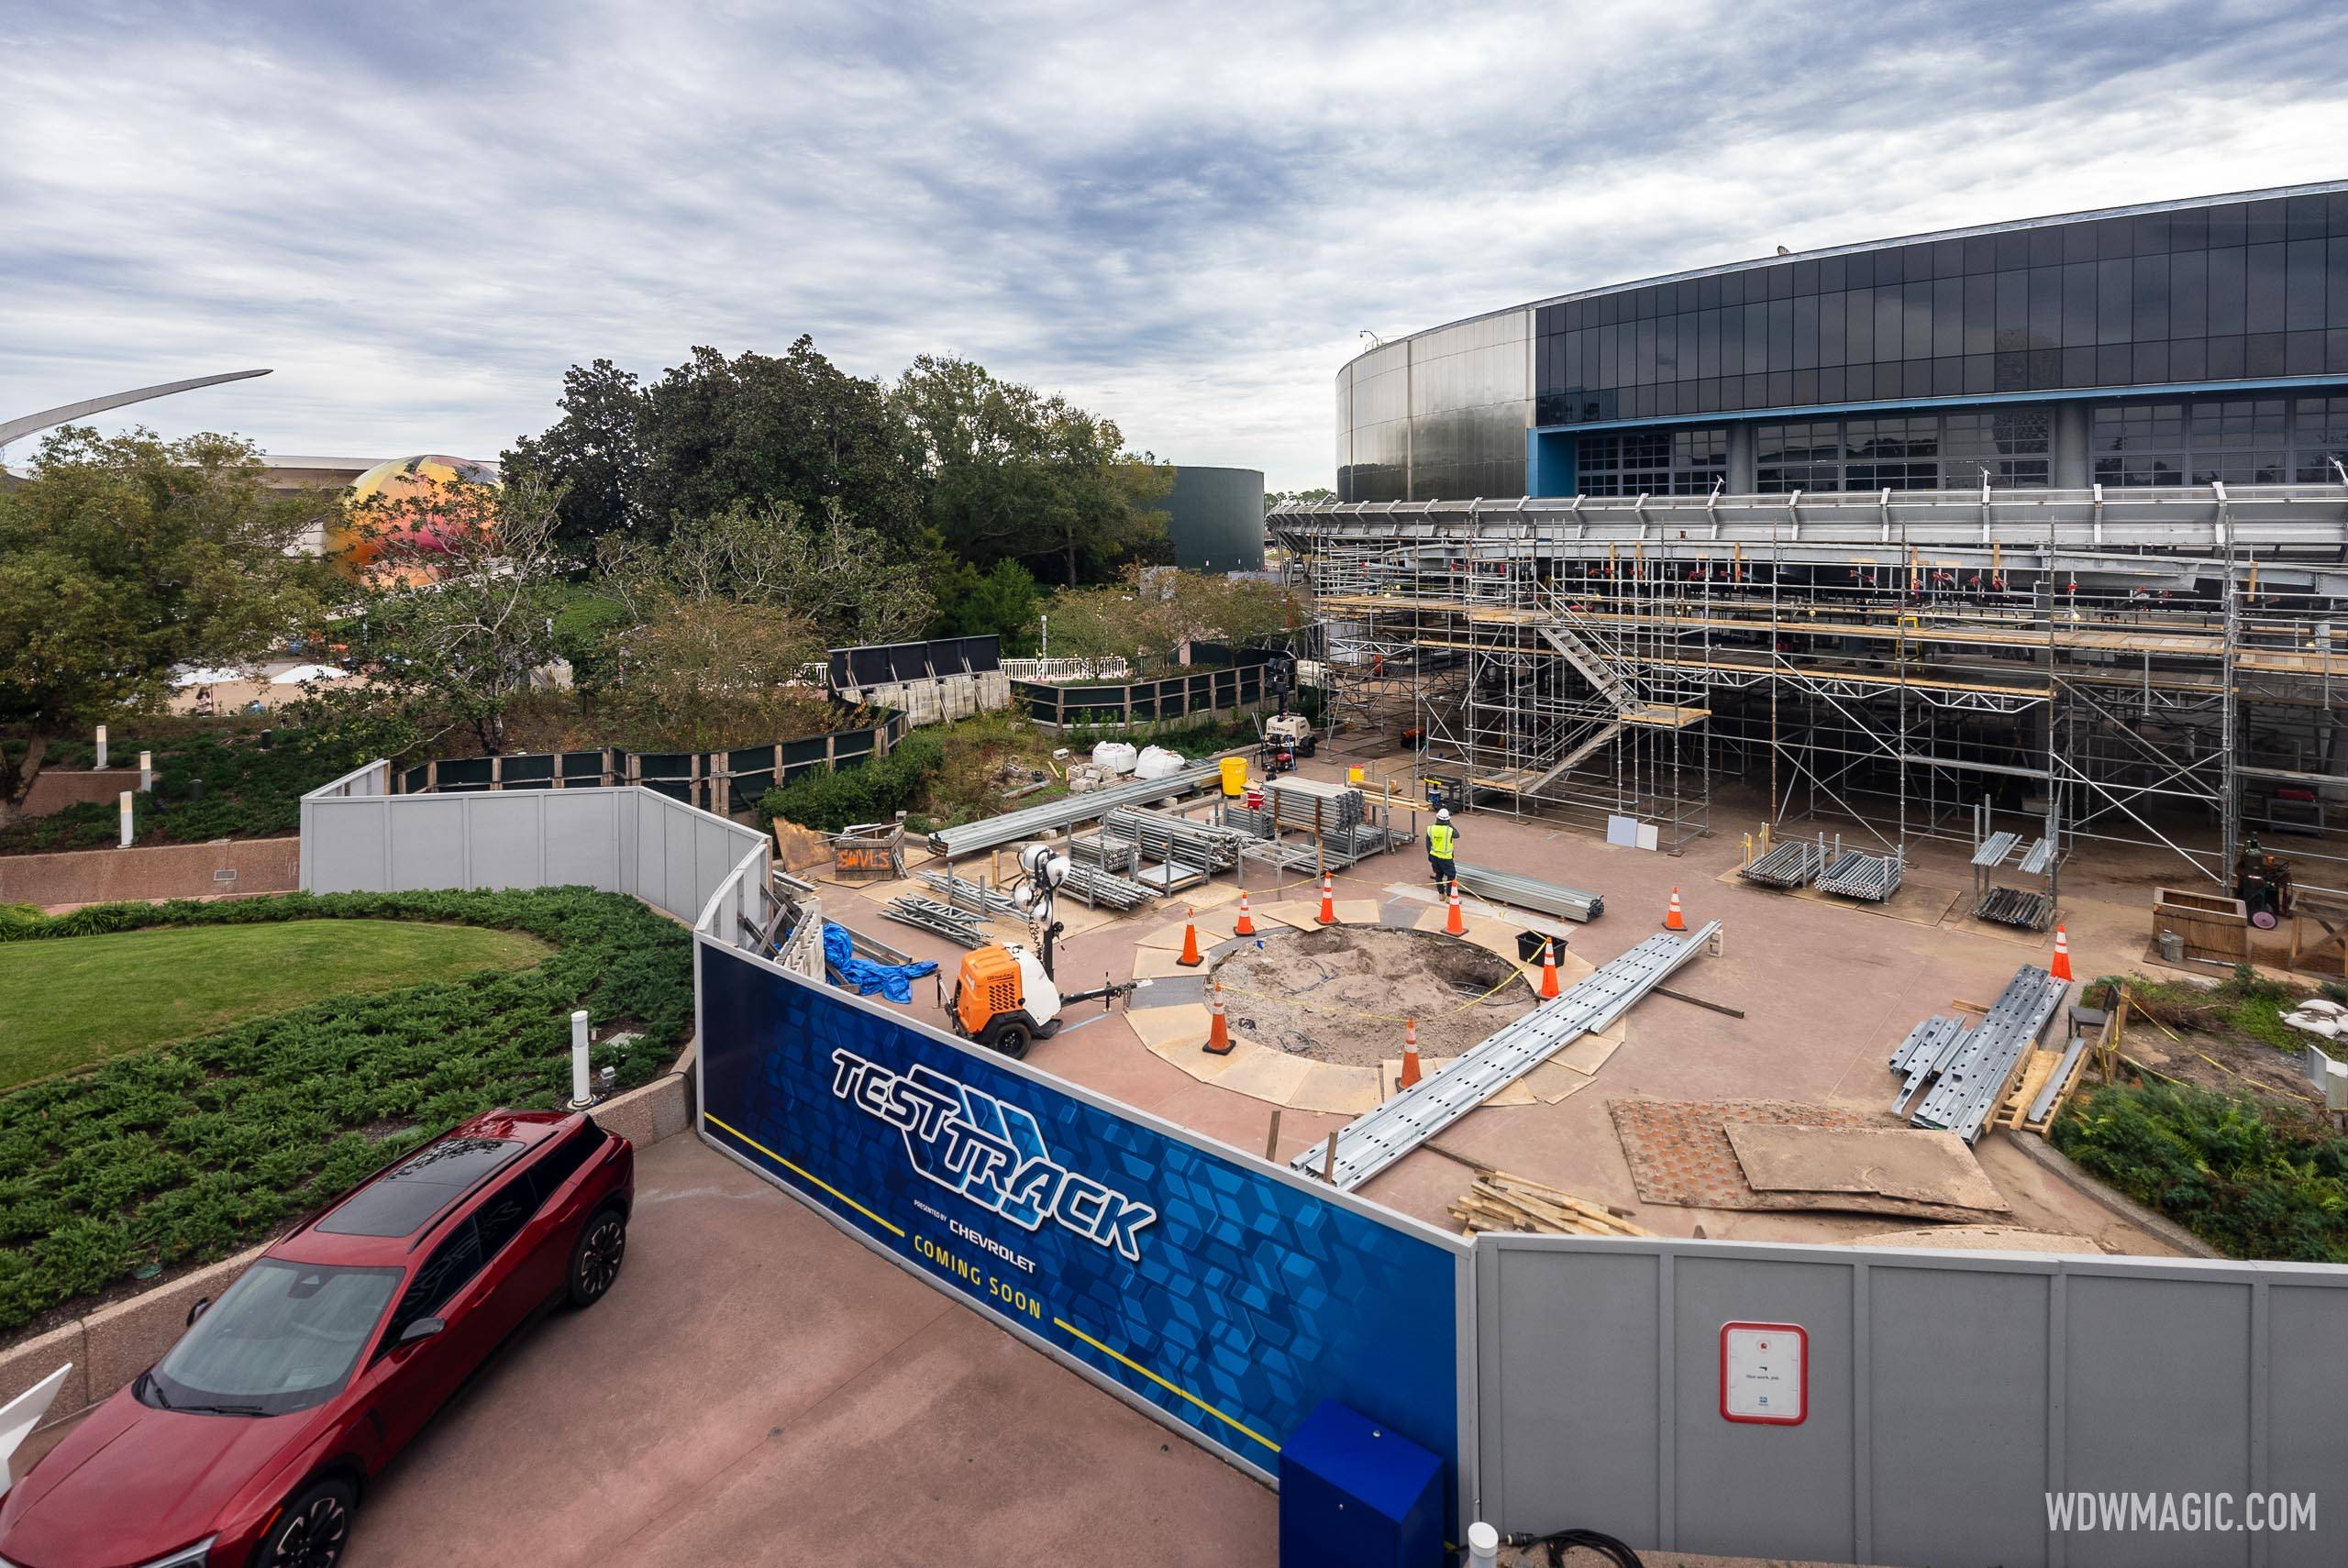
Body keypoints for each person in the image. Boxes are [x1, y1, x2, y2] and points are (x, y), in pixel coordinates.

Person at [1426, 807, 1457, 896]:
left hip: (1434, 856)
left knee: (1438, 875)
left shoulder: (1430, 829)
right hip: (1446, 857)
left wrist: (1430, 856)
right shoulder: (1449, 830)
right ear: (1448, 820)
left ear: (1437, 818)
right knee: (1451, 876)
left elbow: (1428, 844)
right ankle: (1448, 895)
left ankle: (1441, 894)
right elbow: (1457, 835)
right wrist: (1449, 824)